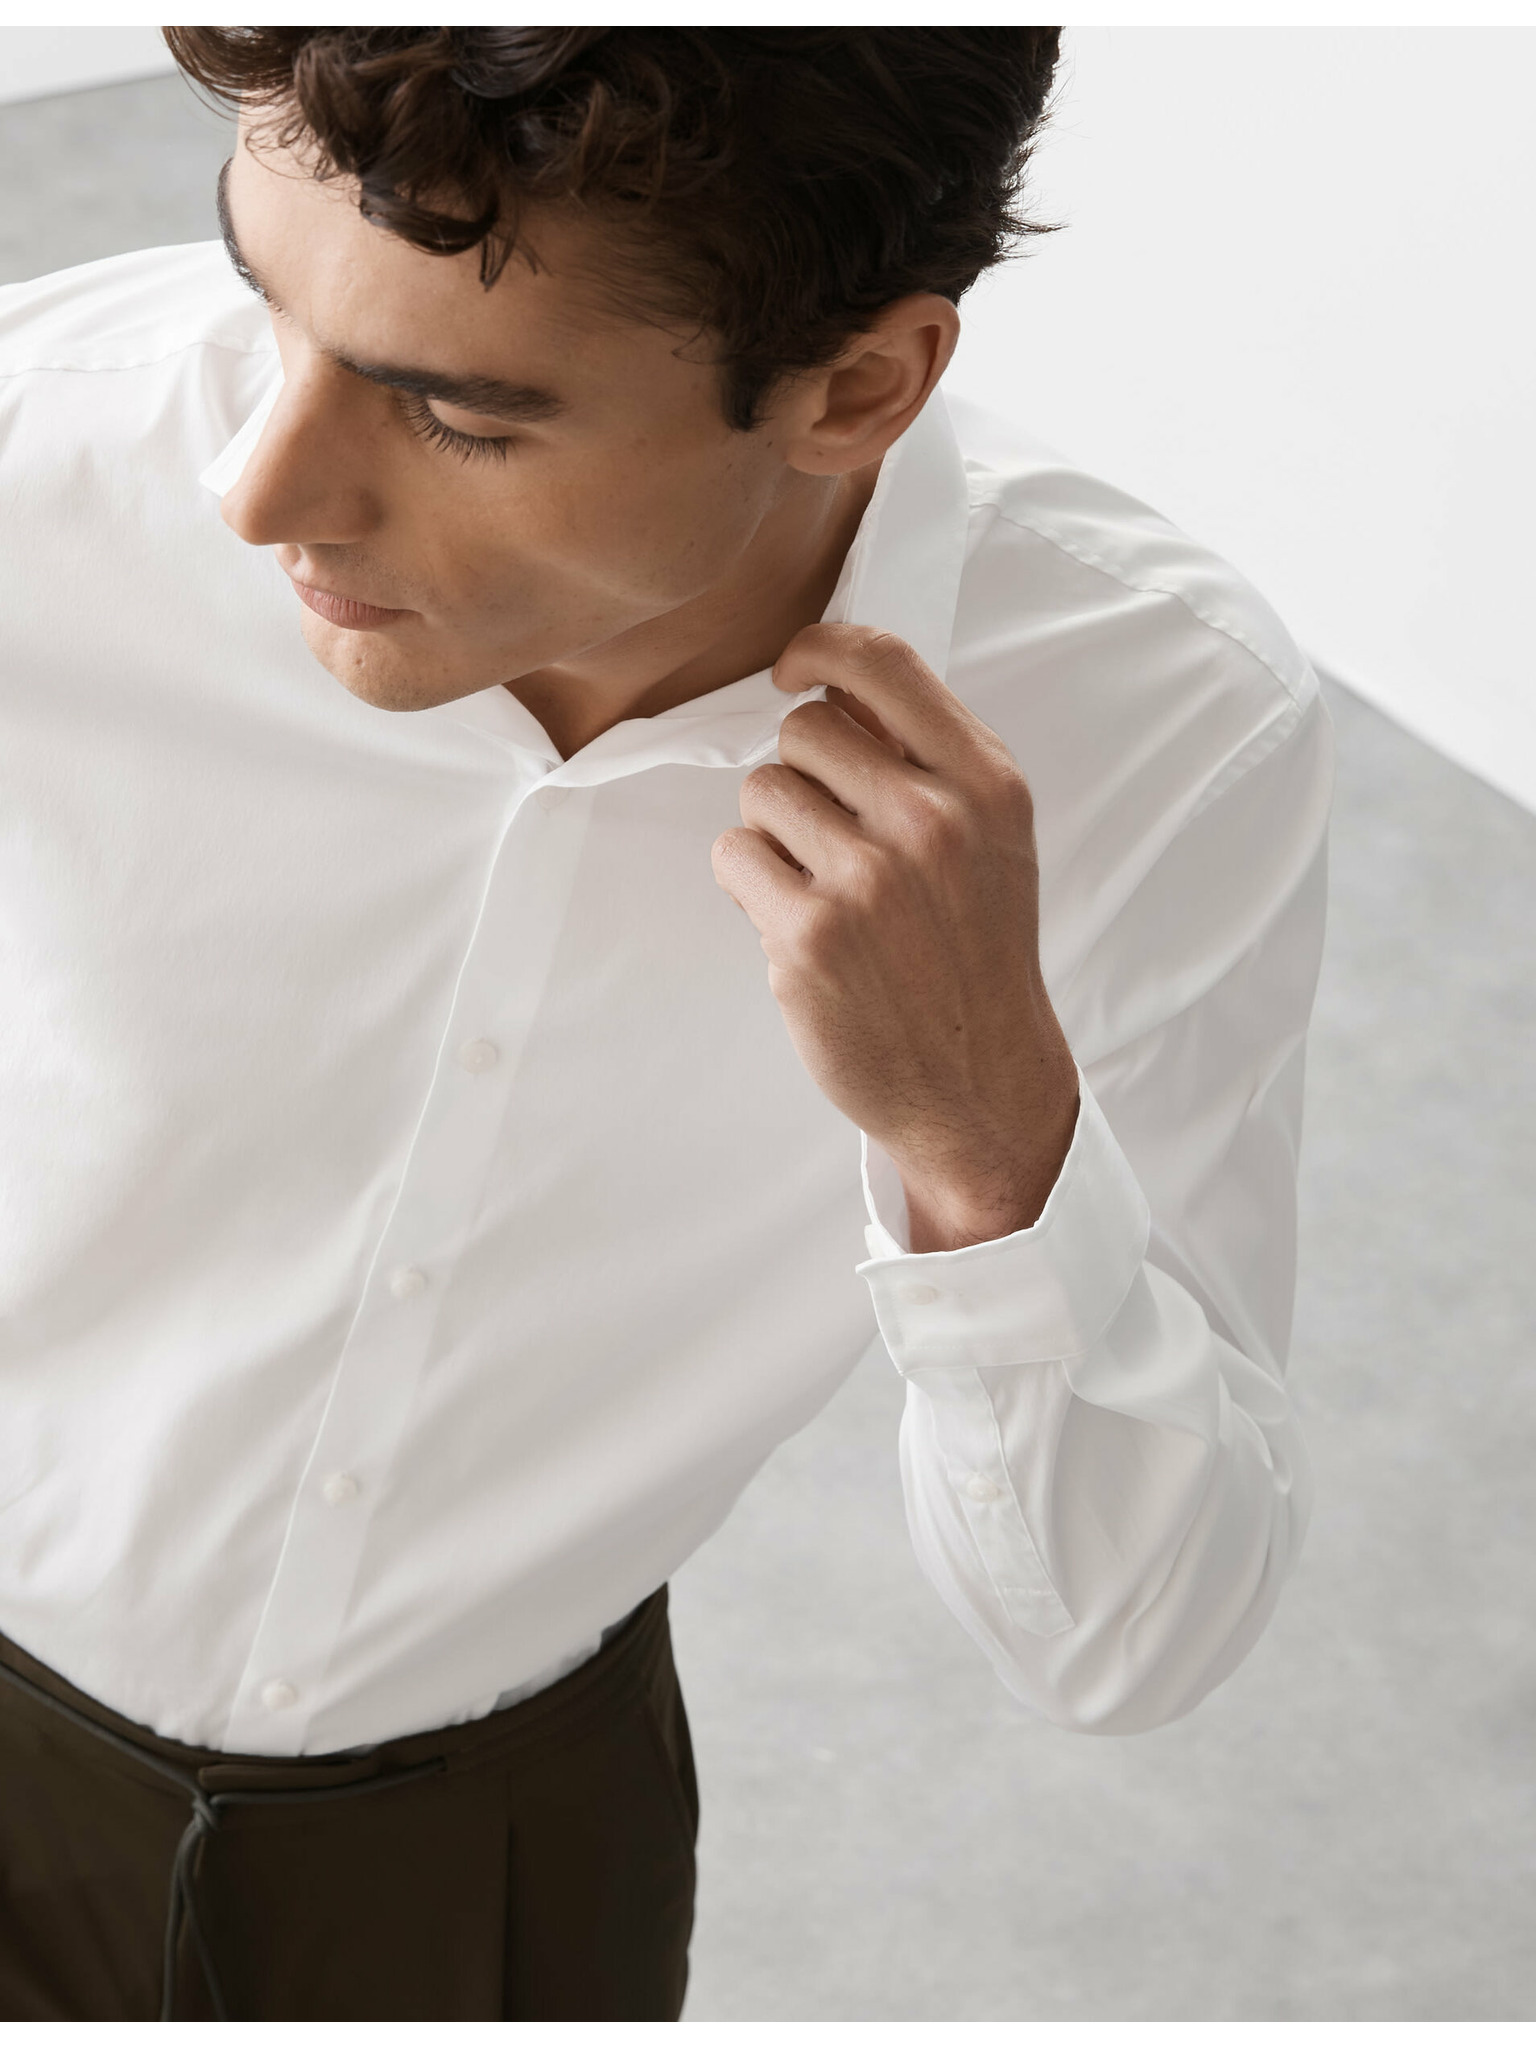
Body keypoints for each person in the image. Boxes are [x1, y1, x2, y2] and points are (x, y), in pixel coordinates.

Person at [0, 26, 1332, 2023]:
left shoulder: (1154, 728)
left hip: (494, 1853)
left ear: (857, 389)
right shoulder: (33, 462)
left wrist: (987, 1144)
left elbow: (1130, 1640)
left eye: (458, 411)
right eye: (265, 298)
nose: (260, 489)